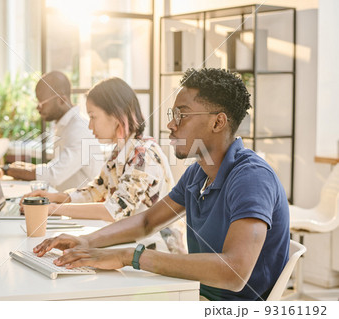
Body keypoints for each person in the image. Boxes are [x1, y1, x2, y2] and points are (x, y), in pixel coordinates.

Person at [31, 68, 290, 301]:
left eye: (182, 115)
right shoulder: (197, 174)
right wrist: (86, 241)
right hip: (194, 291)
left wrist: (129, 256)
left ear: (218, 122)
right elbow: (146, 222)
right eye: (172, 114)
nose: (170, 124)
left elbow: (234, 273)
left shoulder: (252, 177)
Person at [22, 77, 186, 253]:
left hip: (157, 252)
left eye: (93, 117)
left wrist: (53, 209)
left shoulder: (143, 155)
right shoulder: (120, 151)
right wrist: (54, 198)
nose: (90, 126)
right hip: (131, 246)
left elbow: (113, 210)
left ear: (116, 115)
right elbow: (96, 191)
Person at [5, 71, 103, 192]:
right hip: (66, 202)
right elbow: (56, 167)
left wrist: (8, 170)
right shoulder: (65, 125)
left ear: (61, 100)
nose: (38, 107)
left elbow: (54, 175)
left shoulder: (80, 129)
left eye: (42, 102)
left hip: (81, 206)